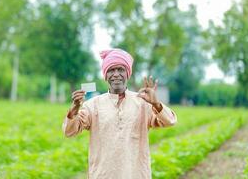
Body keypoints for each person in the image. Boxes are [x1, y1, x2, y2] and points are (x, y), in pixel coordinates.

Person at [62, 48, 177, 179]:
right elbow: (69, 132)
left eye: (121, 69)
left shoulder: (142, 103)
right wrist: (74, 109)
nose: (116, 74)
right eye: (111, 70)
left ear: (127, 74)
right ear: (106, 75)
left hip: (136, 174)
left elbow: (170, 121)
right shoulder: (93, 105)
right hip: (103, 175)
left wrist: (156, 104)